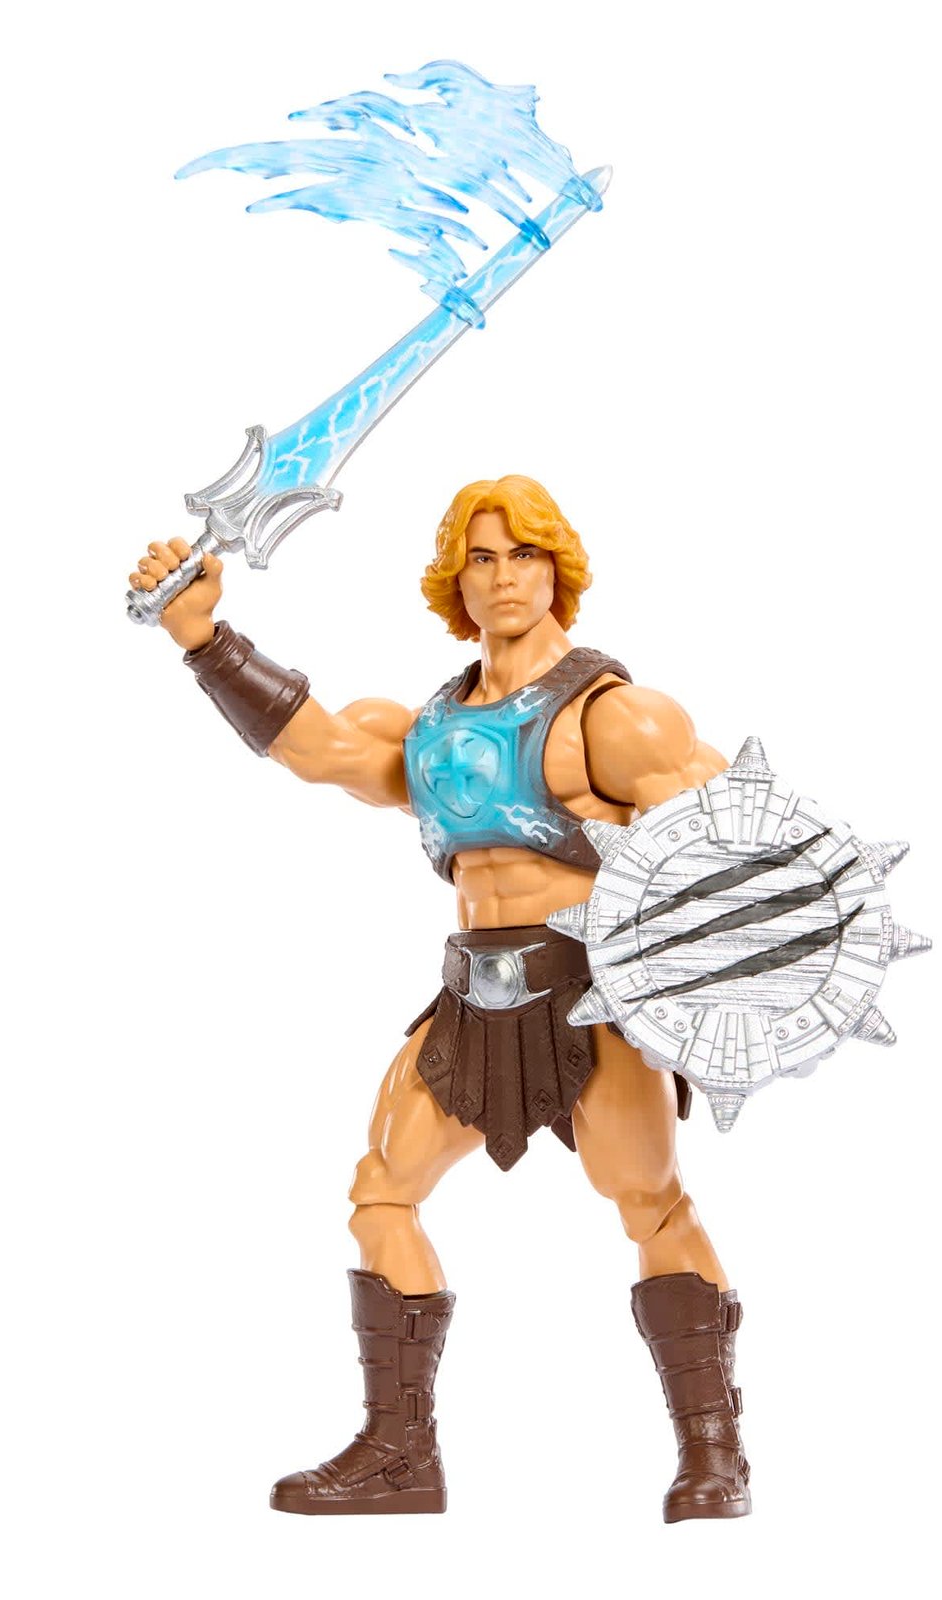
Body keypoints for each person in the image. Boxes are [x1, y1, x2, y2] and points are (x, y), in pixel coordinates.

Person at [128, 475, 751, 1522]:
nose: (504, 578)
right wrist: (205, 640)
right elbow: (323, 749)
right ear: (454, 580)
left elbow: (729, 846)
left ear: (560, 570)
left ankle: (715, 1452)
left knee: (649, 1203)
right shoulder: (429, 730)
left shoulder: (614, 718)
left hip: (590, 998)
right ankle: (397, 1455)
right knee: (382, 1191)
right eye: (481, 558)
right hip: (473, 999)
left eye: (525, 555)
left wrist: (701, 980)